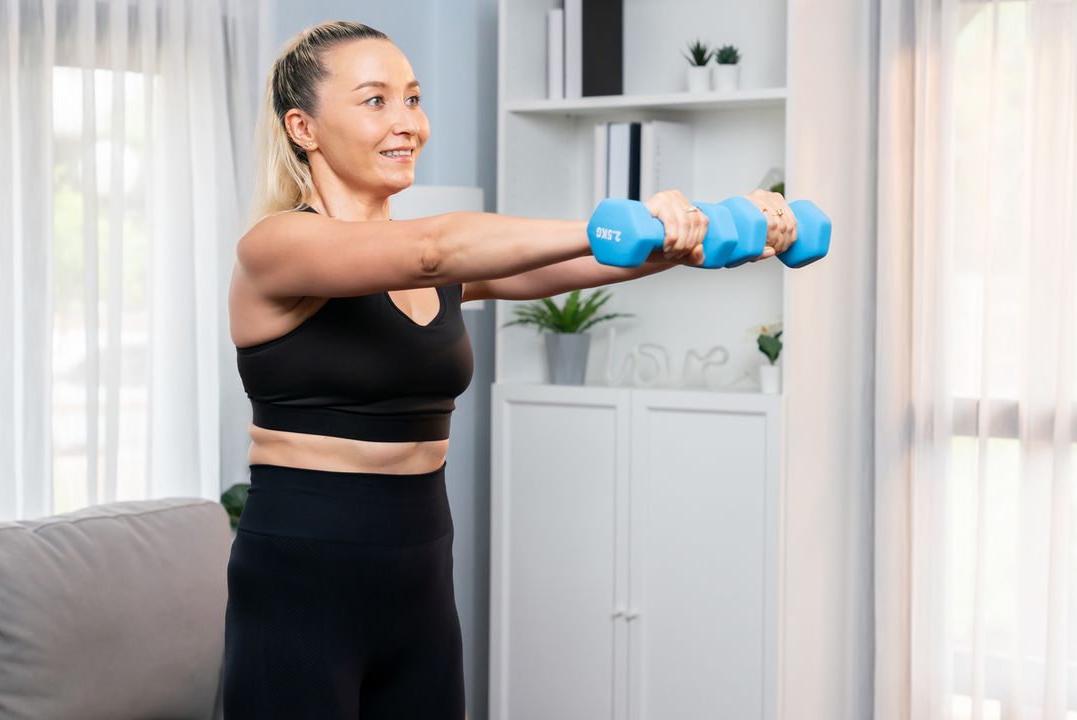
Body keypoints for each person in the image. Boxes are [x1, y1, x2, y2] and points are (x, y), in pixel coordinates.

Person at [222, 19, 798, 720]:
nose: (409, 123)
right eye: (376, 101)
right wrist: (623, 221)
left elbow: (568, 264)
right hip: (302, 582)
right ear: (303, 128)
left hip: (420, 577)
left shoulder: (438, 263)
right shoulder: (277, 248)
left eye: (413, 98)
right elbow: (436, 249)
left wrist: (713, 233)